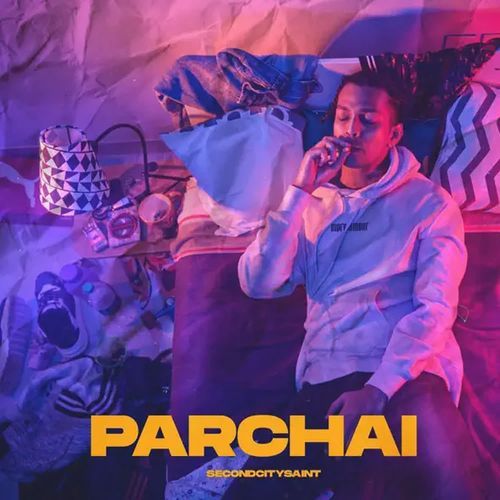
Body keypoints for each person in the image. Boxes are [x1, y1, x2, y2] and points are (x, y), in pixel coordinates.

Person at [224, 71, 485, 499]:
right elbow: (258, 283)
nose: (351, 130)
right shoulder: (311, 205)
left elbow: (436, 308)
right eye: (343, 116)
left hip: (408, 377)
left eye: (368, 120)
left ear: (394, 134)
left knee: (450, 486)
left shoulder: (430, 204)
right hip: (327, 376)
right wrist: (300, 189)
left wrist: (378, 390)